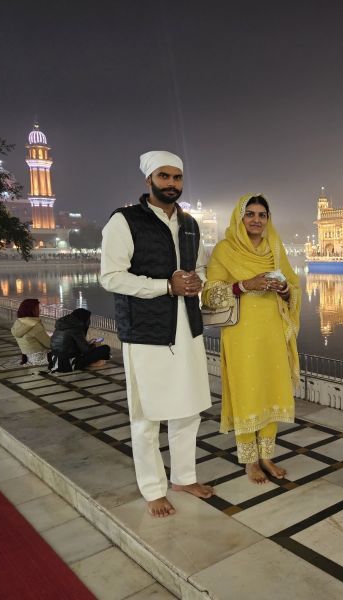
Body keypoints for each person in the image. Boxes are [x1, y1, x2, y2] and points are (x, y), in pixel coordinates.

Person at [100, 150, 215, 517]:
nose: (171, 184)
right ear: (149, 180)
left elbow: (199, 268)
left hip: (187, 329)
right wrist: (165, 285)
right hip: (146, 331)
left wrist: (197, 281)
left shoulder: (190, 224)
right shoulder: (125, 221)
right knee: (146, 415)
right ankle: (152, 489)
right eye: (164, 176)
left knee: (189, 409)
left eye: (177, 177)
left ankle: (184, 477)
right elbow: (111, 277)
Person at [201, 195, 300, 484]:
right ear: (239, 218)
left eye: (262, 215)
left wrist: (284, 290)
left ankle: (267, 456)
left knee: (270, 388)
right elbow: (209, 295)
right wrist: (245, 285)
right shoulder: (225, 249)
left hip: (272, 331)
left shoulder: (275, 247)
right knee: (246, 390)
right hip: (241, 334)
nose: (257, 220)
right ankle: (249, 460)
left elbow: (294, 286)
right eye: (251, 214)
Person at [11, 298, 51, 366]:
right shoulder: (35, 325)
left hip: (28, 358)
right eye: (37, 308)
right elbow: (49, 344)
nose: (40, 310)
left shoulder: (18, 322)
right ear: (31, 310)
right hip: (42, 358)